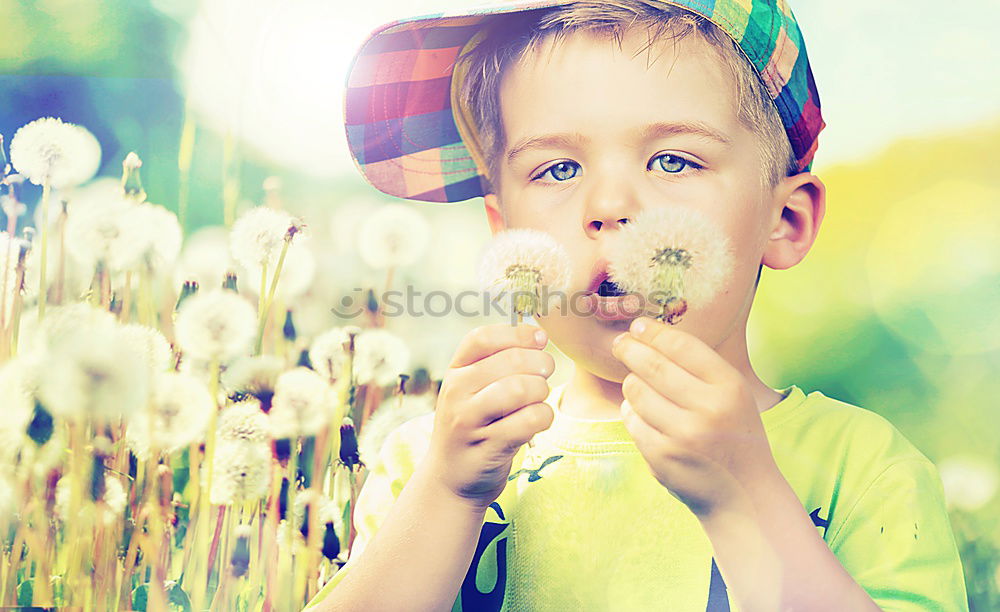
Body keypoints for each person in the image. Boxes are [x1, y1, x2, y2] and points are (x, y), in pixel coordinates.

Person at [305, 0, 969, 609]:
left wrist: (747, 500)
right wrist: (449, 497)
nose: (609, 207)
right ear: (505, 231)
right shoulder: (432, 465)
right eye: (558, 169)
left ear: (785, 220)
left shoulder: (863, 470)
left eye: (674, 160)